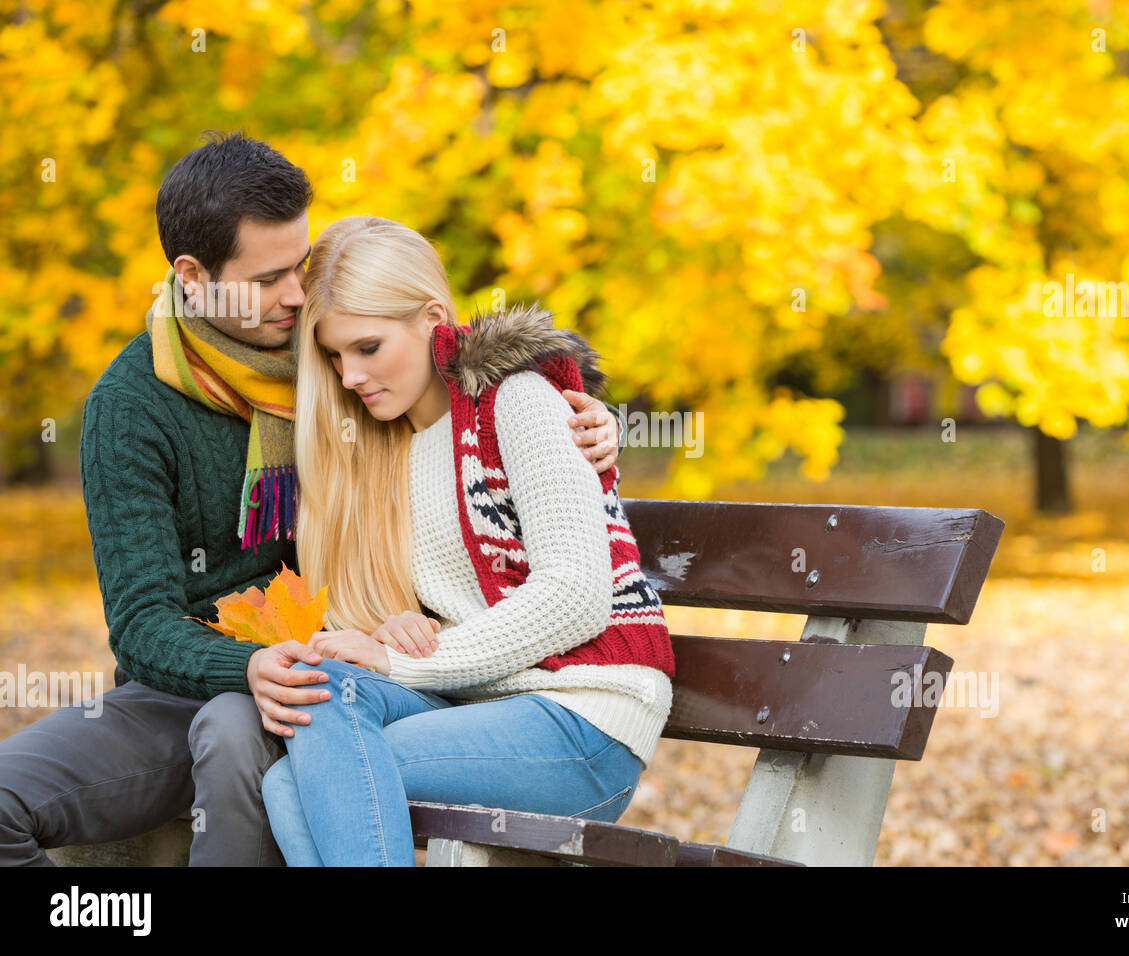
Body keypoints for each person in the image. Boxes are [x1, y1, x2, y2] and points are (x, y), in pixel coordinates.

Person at [0, 132, 622, 866]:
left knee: (239, 733)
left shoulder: (335, 354)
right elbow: (140, 621)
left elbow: (461, 378)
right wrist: (245, 667)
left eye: (299, 266)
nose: (296, 295)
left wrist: (579, 409)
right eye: (267, 279)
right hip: (190, 678)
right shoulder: (131, 408)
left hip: (339, 669)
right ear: (194, 277)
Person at [259, 216, 675, 866]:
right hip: (480, 703)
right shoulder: (383, 447)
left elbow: (575, 598)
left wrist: (402, 662)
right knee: (307, 729)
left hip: (584, 718)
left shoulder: (516, 401)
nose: (349, 376)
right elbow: (464, 602)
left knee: (330, 775)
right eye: (335, 356)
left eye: (368, 347)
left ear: (431, 317)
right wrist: (406, 628)